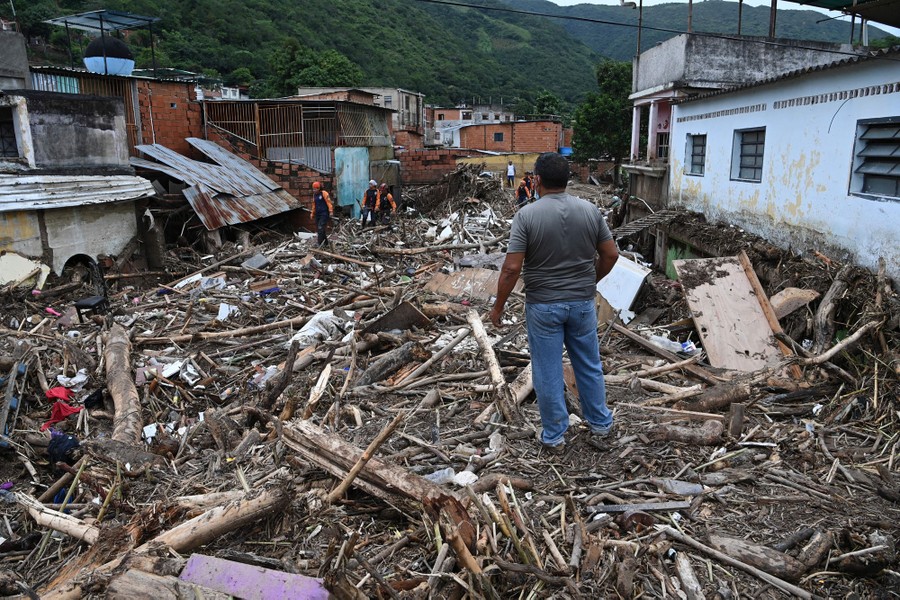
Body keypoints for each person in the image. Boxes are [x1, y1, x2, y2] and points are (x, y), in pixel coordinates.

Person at [490, 152, 619, 454]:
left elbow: (511, 268)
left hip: (544, 306)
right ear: (567, 180)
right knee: (588, 365)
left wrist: (497, 307)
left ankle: (554, 437)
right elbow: (611, 255)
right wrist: (589, 282)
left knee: (547, 370)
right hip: (582, 303)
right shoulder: (589, 211)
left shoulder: (527, 216)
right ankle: (601, 426)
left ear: (536, 180)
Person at [311, 181, 333, 247]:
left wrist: (331, 211)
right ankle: (326, 243)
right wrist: (312, 213)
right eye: (313, 189)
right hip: (318, 214)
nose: (314, 190)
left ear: (319, 188)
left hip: (324, 213)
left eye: (315, 189)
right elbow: (314, 205)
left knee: (320, 228)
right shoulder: (314, 195)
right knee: (320, 229)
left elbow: (329, 202)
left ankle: (319, 243)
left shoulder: (324, 193)